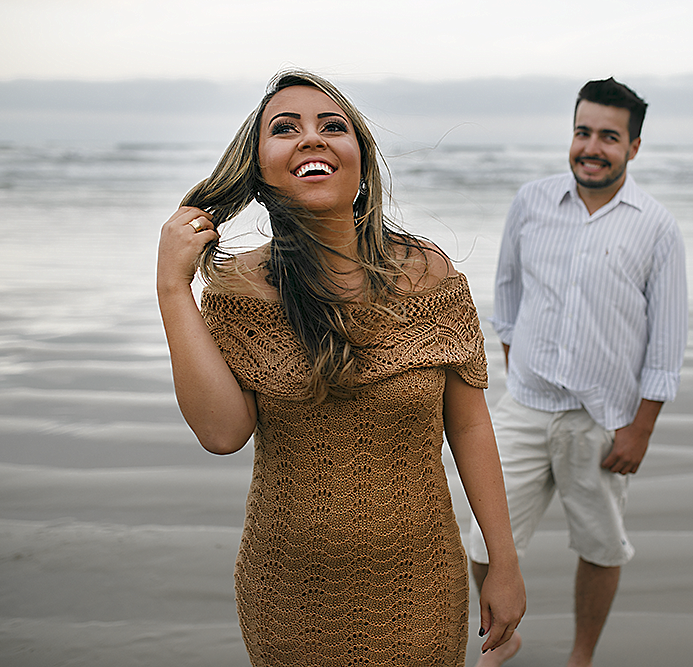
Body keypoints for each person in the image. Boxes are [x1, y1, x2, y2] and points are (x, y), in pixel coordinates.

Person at [156, 70, 525, 667]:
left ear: (361, 162)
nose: (312, 138)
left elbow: (470, 426)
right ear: (259, 169)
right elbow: (222, 434)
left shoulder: (428, 274)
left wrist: (503, 562)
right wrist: (173, 289)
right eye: (285, 128)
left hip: (421, 586)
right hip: (288, 595)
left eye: (333, 126)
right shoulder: (238, 289)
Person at [469, 77, 688, 666]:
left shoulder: (657, 227)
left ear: (633, 147)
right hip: (524, 406)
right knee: (483, 540)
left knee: (601, 547)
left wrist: (641, 429)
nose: (591, 147)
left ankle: (581, 657)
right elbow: (507, 296)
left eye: (609, 137)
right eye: (582, 132)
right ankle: (504, 636)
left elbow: (667, 340)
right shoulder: (531, 202)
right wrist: (518, 368)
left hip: (603, 420)